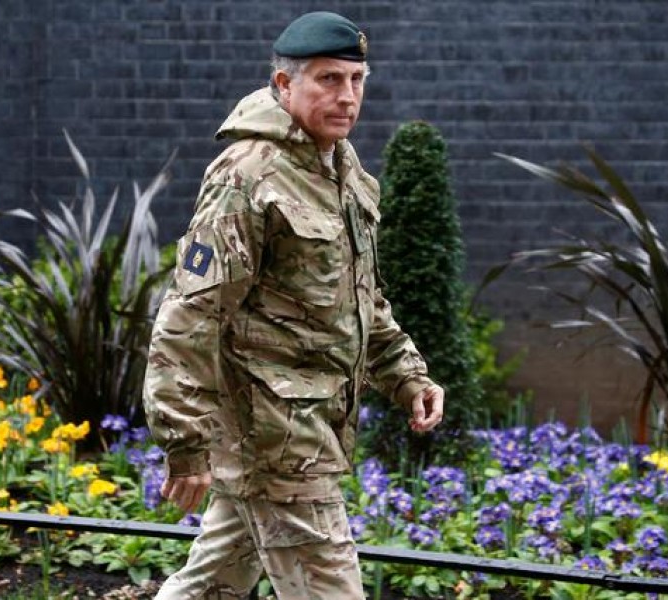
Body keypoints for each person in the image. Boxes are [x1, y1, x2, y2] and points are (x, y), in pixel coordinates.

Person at [143, 11, 445, 600]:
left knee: (212, 585)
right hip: (277, 438)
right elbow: (191, 314)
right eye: (328, 80)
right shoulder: (249, 174)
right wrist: (184, 440)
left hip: (306, 427)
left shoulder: (342, 167)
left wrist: (407, 374)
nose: (348, 96)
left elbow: (357, 297)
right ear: (284, 85)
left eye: (357, 80)